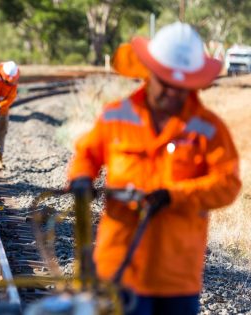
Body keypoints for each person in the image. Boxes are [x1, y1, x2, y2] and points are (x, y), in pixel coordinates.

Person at [68, 22, 241, 314]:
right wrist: (81, 177)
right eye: (166, 84)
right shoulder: (116, 116)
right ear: (150, 73)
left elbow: (227, 184)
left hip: (175, 275)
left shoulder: (209, 129)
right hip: (118, 265)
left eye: (182, 87)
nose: (173, 94)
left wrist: (175, 196)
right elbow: (87, 154)